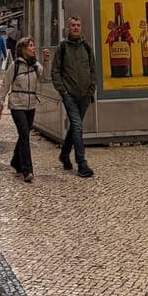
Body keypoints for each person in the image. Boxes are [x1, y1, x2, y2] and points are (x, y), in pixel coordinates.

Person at [0, 36, 46, 183]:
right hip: (17, 104)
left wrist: (46, 61)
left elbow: (45, 76)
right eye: (31, 45)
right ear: (23, 49)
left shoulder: (36, 65)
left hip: (31, 105)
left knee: (24, 134)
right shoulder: (15, 66)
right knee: (24, 133)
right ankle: (27, 169)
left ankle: (15, 161)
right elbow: (5, 85)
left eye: (34, 45)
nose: (33, 48)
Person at [51, 16, 96, 178]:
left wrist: (91, 89)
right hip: (69, 94)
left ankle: (64, 154)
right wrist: (63, 91)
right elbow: (55, 71)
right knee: (77, 125)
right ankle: (82, 163)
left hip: (85, 94)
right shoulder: (62, 48)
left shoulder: (87, 47)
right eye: (73, 25)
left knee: (75, 127)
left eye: (78, 25)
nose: (76, 28)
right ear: (68, 28)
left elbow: (93, 69)